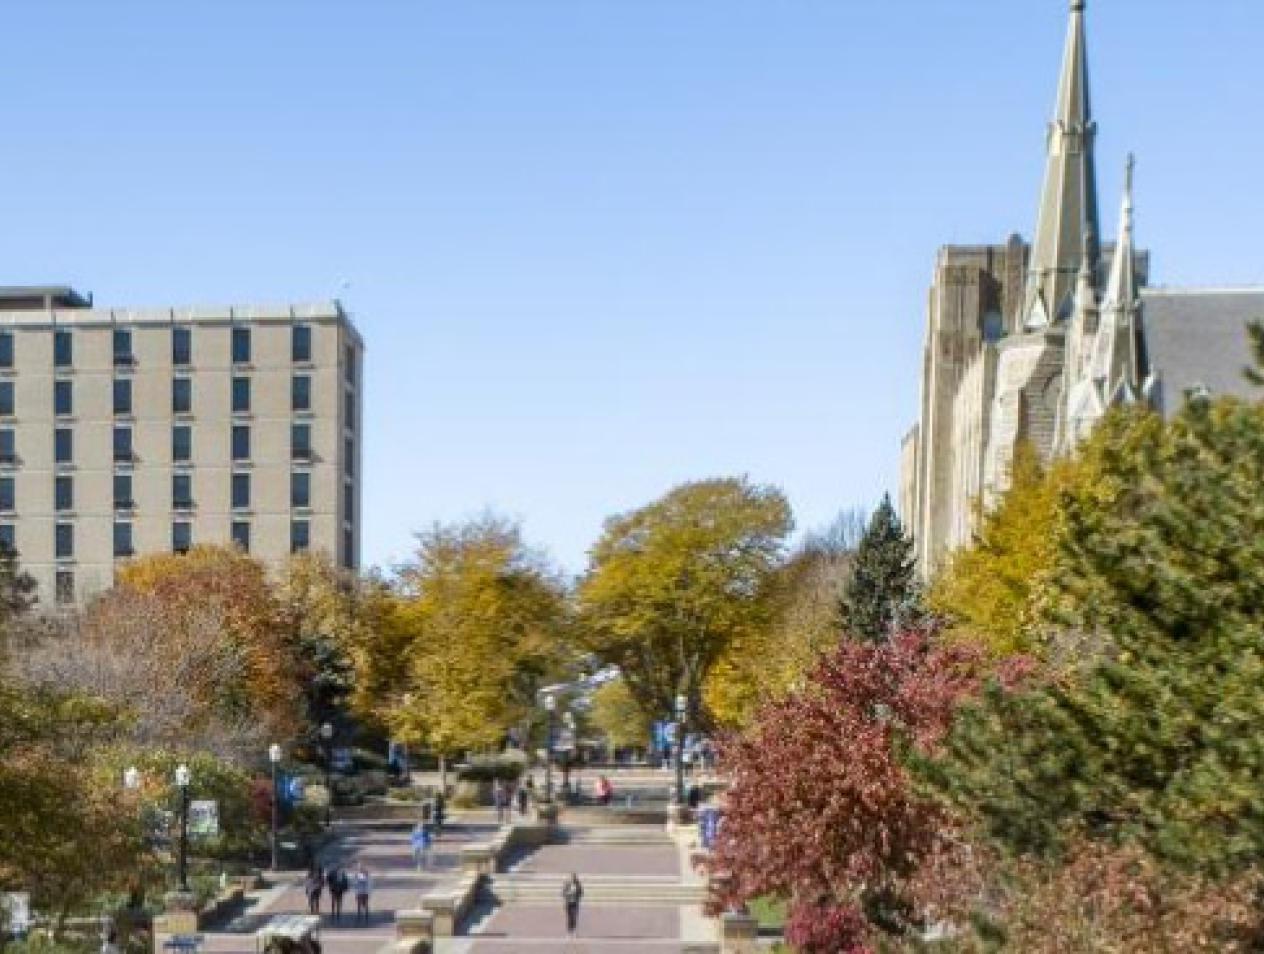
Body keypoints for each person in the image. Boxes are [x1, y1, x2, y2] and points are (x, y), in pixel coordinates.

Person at [562, 873, 583, 938]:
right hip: (568, 903)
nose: (572, 879)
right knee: (569, 918)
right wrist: (568, 893)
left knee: (574, 917)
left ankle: (574, 932)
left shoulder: (578, 885)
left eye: (573, 878)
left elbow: (581, 893)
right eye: (571, 878)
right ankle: (569, 932)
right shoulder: (567, 885)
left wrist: (576, 893)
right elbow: (563, 893)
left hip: (575, 903)